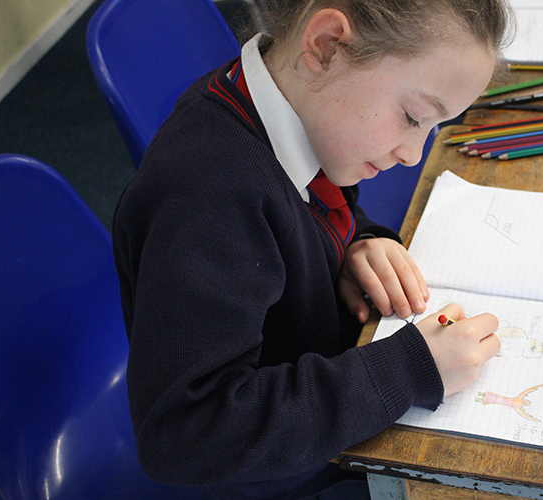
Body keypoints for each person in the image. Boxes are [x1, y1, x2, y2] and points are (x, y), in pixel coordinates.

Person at [112, 0, 513, 498]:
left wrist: (356, 242)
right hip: (286, 476)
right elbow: (186, 434)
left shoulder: (288, 106)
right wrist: (409, 370)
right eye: (413, 117)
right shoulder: (208, 194)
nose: (414, 156)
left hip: (324, 400)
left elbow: (307, 208)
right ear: (326, 46)